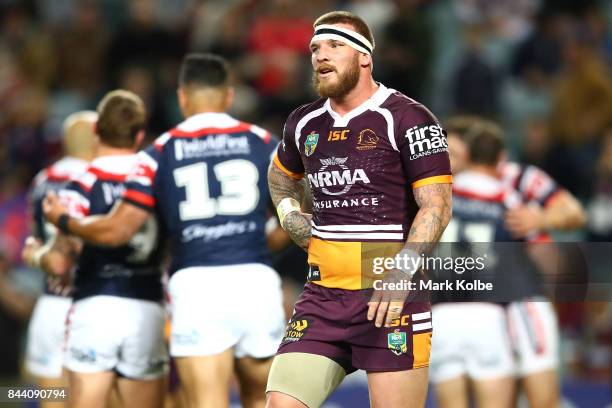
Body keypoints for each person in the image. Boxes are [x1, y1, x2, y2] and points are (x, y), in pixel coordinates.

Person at [43, 54, 285, 408]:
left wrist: (63, 220)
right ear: (229, 96)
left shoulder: (159, 152)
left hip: (195, 286)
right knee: (264, 400)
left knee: (206, 401)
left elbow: (117, 229)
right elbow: (299, 216)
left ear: (182, 96)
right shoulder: (264, 142)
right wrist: (253, 246)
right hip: (255, 281)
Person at [266, 11, 452, 408]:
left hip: (390, 298)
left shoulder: (407, 117)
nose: (320, 55)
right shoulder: (303, 123)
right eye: (315, 48)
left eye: (334, 45)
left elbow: (437, 204)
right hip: (321, 298)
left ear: (365, 57)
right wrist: (290, 216)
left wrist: (403, 272)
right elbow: (280, 178)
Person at [33, 90, 168, 408]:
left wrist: (32, 253)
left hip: (94, 308)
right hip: (147, 306)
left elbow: (58, 264)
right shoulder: (158, 179)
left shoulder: (79, 184)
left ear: (98, 131)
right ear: (139, 134)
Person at [444, 115, 587, 408]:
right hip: (484, 307)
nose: (448, 160)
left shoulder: (519, 179)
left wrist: (540, 218)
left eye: (454, 154)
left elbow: (575, 212)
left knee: (536, 394)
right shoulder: (444, 185)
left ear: (470, 154)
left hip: (519, 301)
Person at [431, 122, 524, 408]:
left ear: (468, 155)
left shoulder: (437, 194)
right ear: (500, 158)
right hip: (487, 312)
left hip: (443, 314)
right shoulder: (503, 196)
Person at [21, 110, 97, 407]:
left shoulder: (43, 179)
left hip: (51, 302)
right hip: (90, 302)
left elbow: (34, 236)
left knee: (53, 397)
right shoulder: (98, 178)